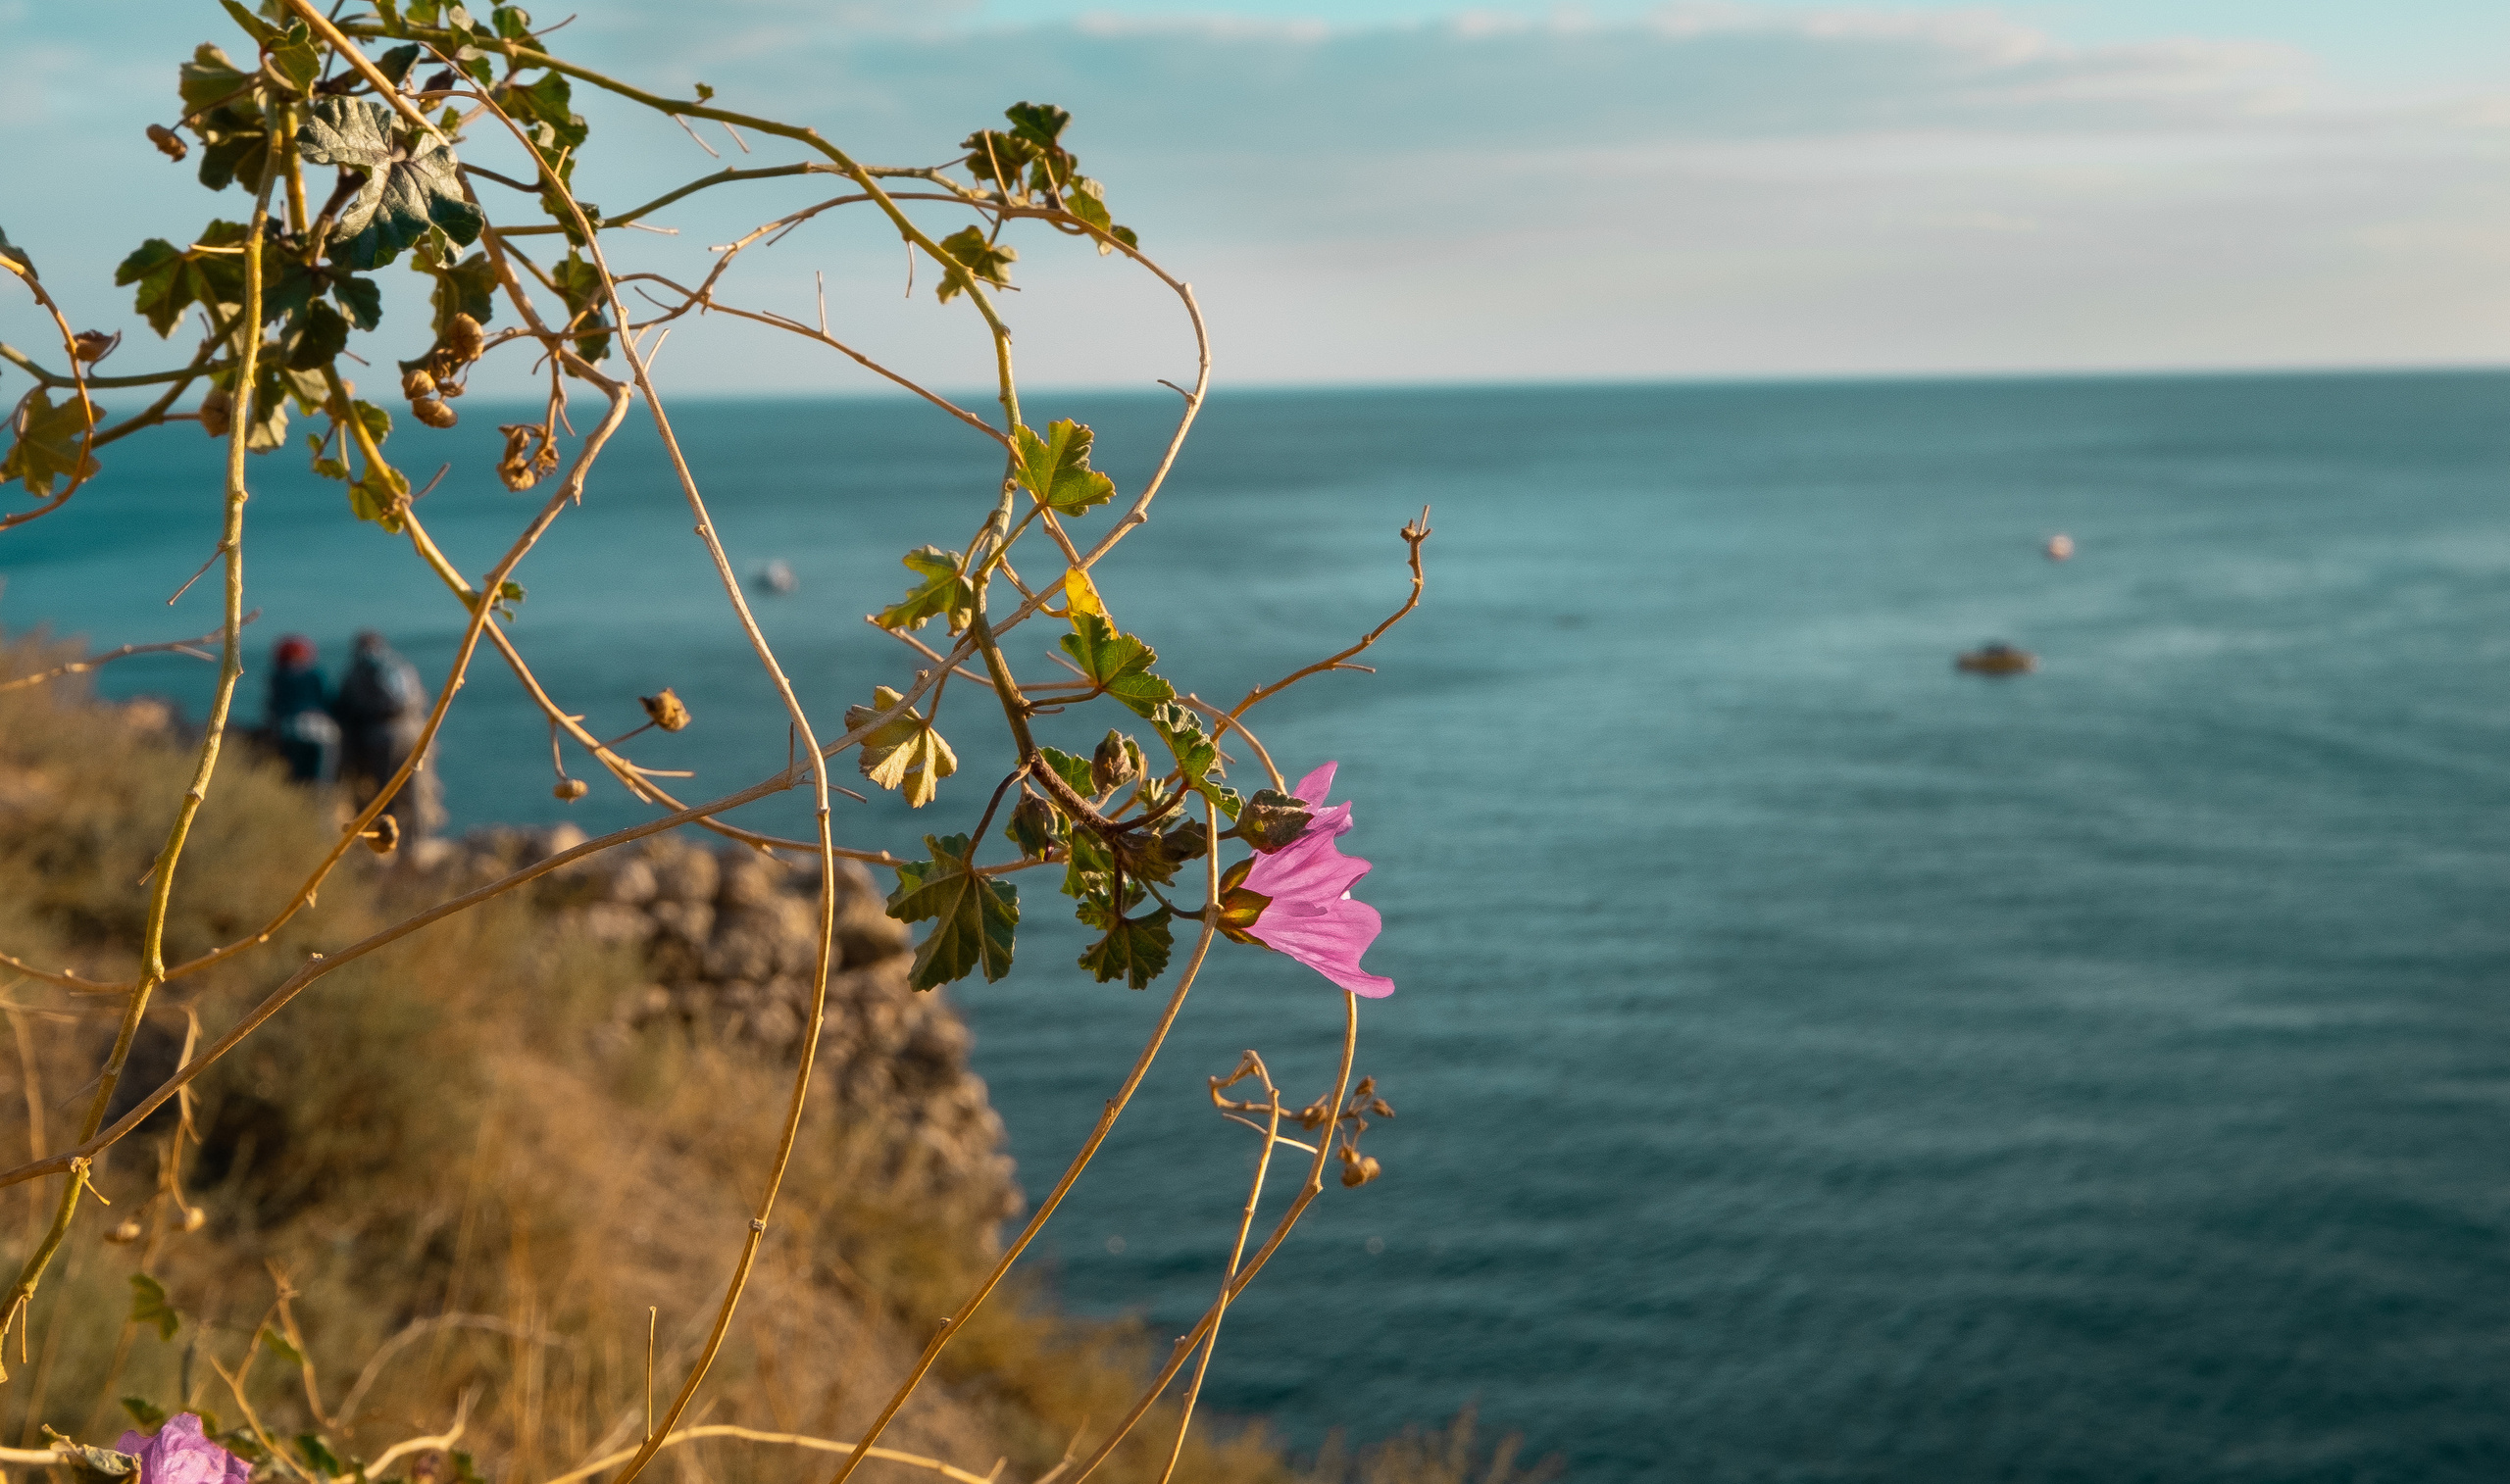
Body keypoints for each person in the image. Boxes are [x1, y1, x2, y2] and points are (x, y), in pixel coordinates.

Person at [332, 630, 441, 843]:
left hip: (380, 736)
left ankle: (391, 842)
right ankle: (418, 840)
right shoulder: (401, 666)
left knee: (386, 792)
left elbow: (348, 705)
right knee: (415, 786)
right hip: (414, 731)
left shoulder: (358, 670)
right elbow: (419, 698)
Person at [264, 635, 339, 784]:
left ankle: (301, 803)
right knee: (322, 777)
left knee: (298, 777)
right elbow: (329, 699)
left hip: (291, 729)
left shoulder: (278, 677)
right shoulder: (316, 674)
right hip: (321, 729)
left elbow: (273, 706)